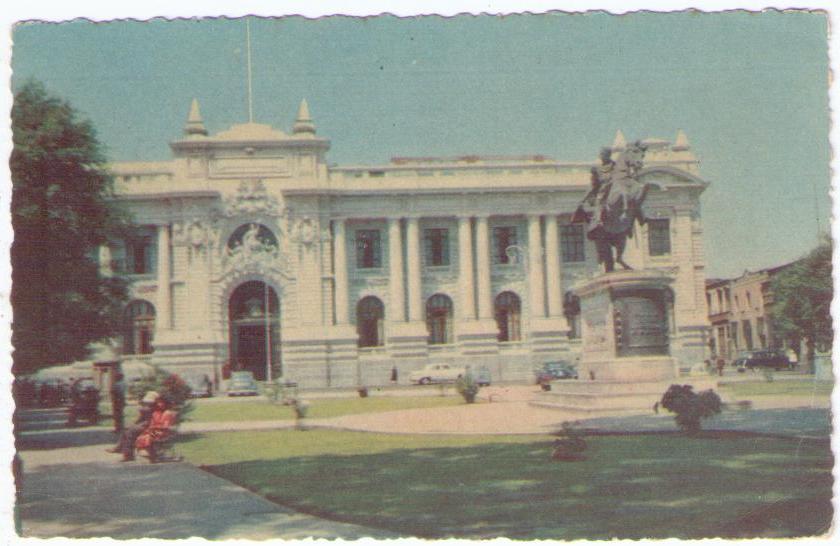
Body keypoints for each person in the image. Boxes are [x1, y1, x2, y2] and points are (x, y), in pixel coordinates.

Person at [108, 390, 157, 459]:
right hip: (143, 423)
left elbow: (153, 420)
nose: (148, 403)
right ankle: (120, 448)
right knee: (127, 430)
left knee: (131, 432)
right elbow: (140, 417)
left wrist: (139, 425)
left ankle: (127, 454)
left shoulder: (155, 408)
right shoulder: (145, 406)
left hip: (149, 424)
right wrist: (133, 424)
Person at [131, 397, 177, 463]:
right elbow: (152, 423)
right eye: (158, 402)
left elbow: (165, 426)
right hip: (154, 431)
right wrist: (151, 428)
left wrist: (154, 427)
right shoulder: (156, 413)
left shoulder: (167, 413)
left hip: (163, 432)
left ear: (166, 404)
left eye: (161, 402)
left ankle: (151, 454)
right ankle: (150, 454)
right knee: (141, 436)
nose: (159, 404)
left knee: (148, 437)